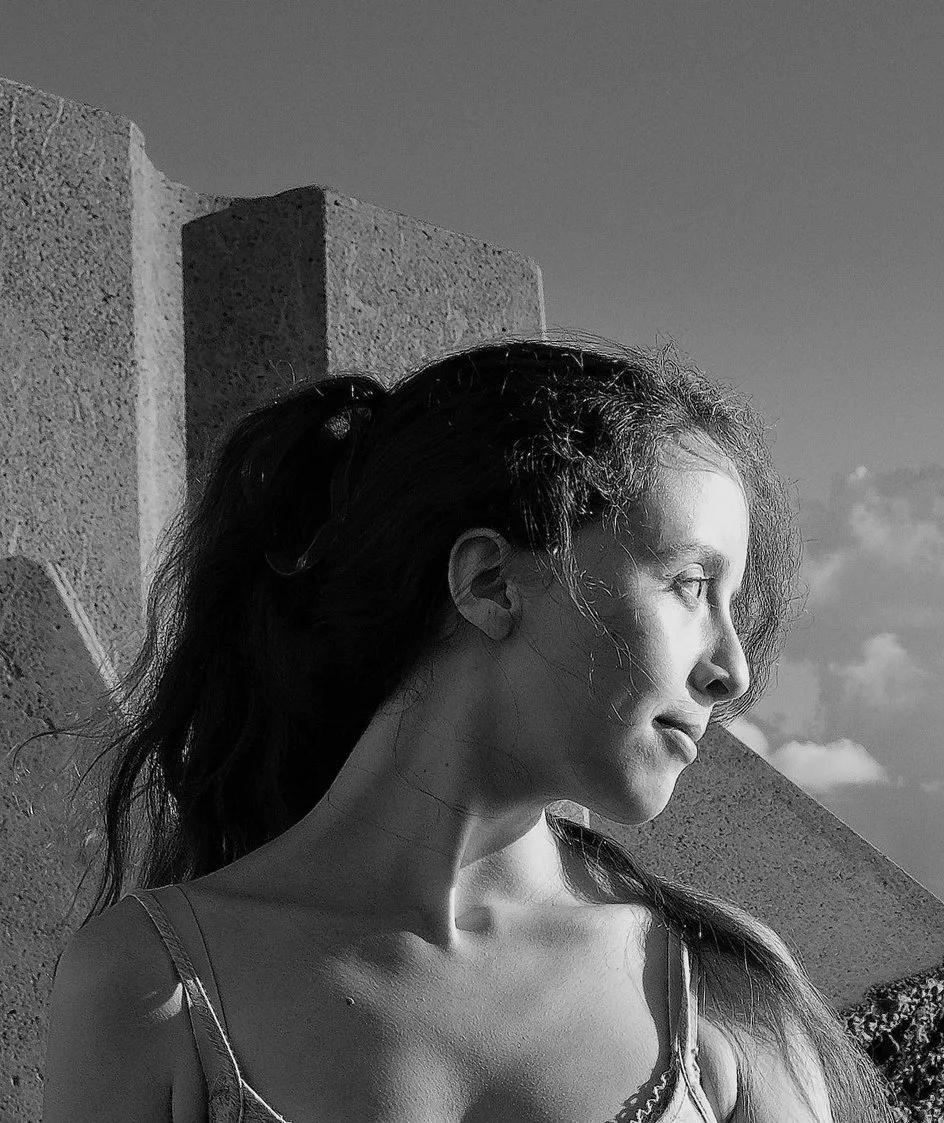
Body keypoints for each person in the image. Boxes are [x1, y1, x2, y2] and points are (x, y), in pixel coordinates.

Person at [41, 340, 898, 1122]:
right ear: (490, 582)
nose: (732, 670)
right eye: (690, 585)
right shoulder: (151, 985)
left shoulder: (722, 992)